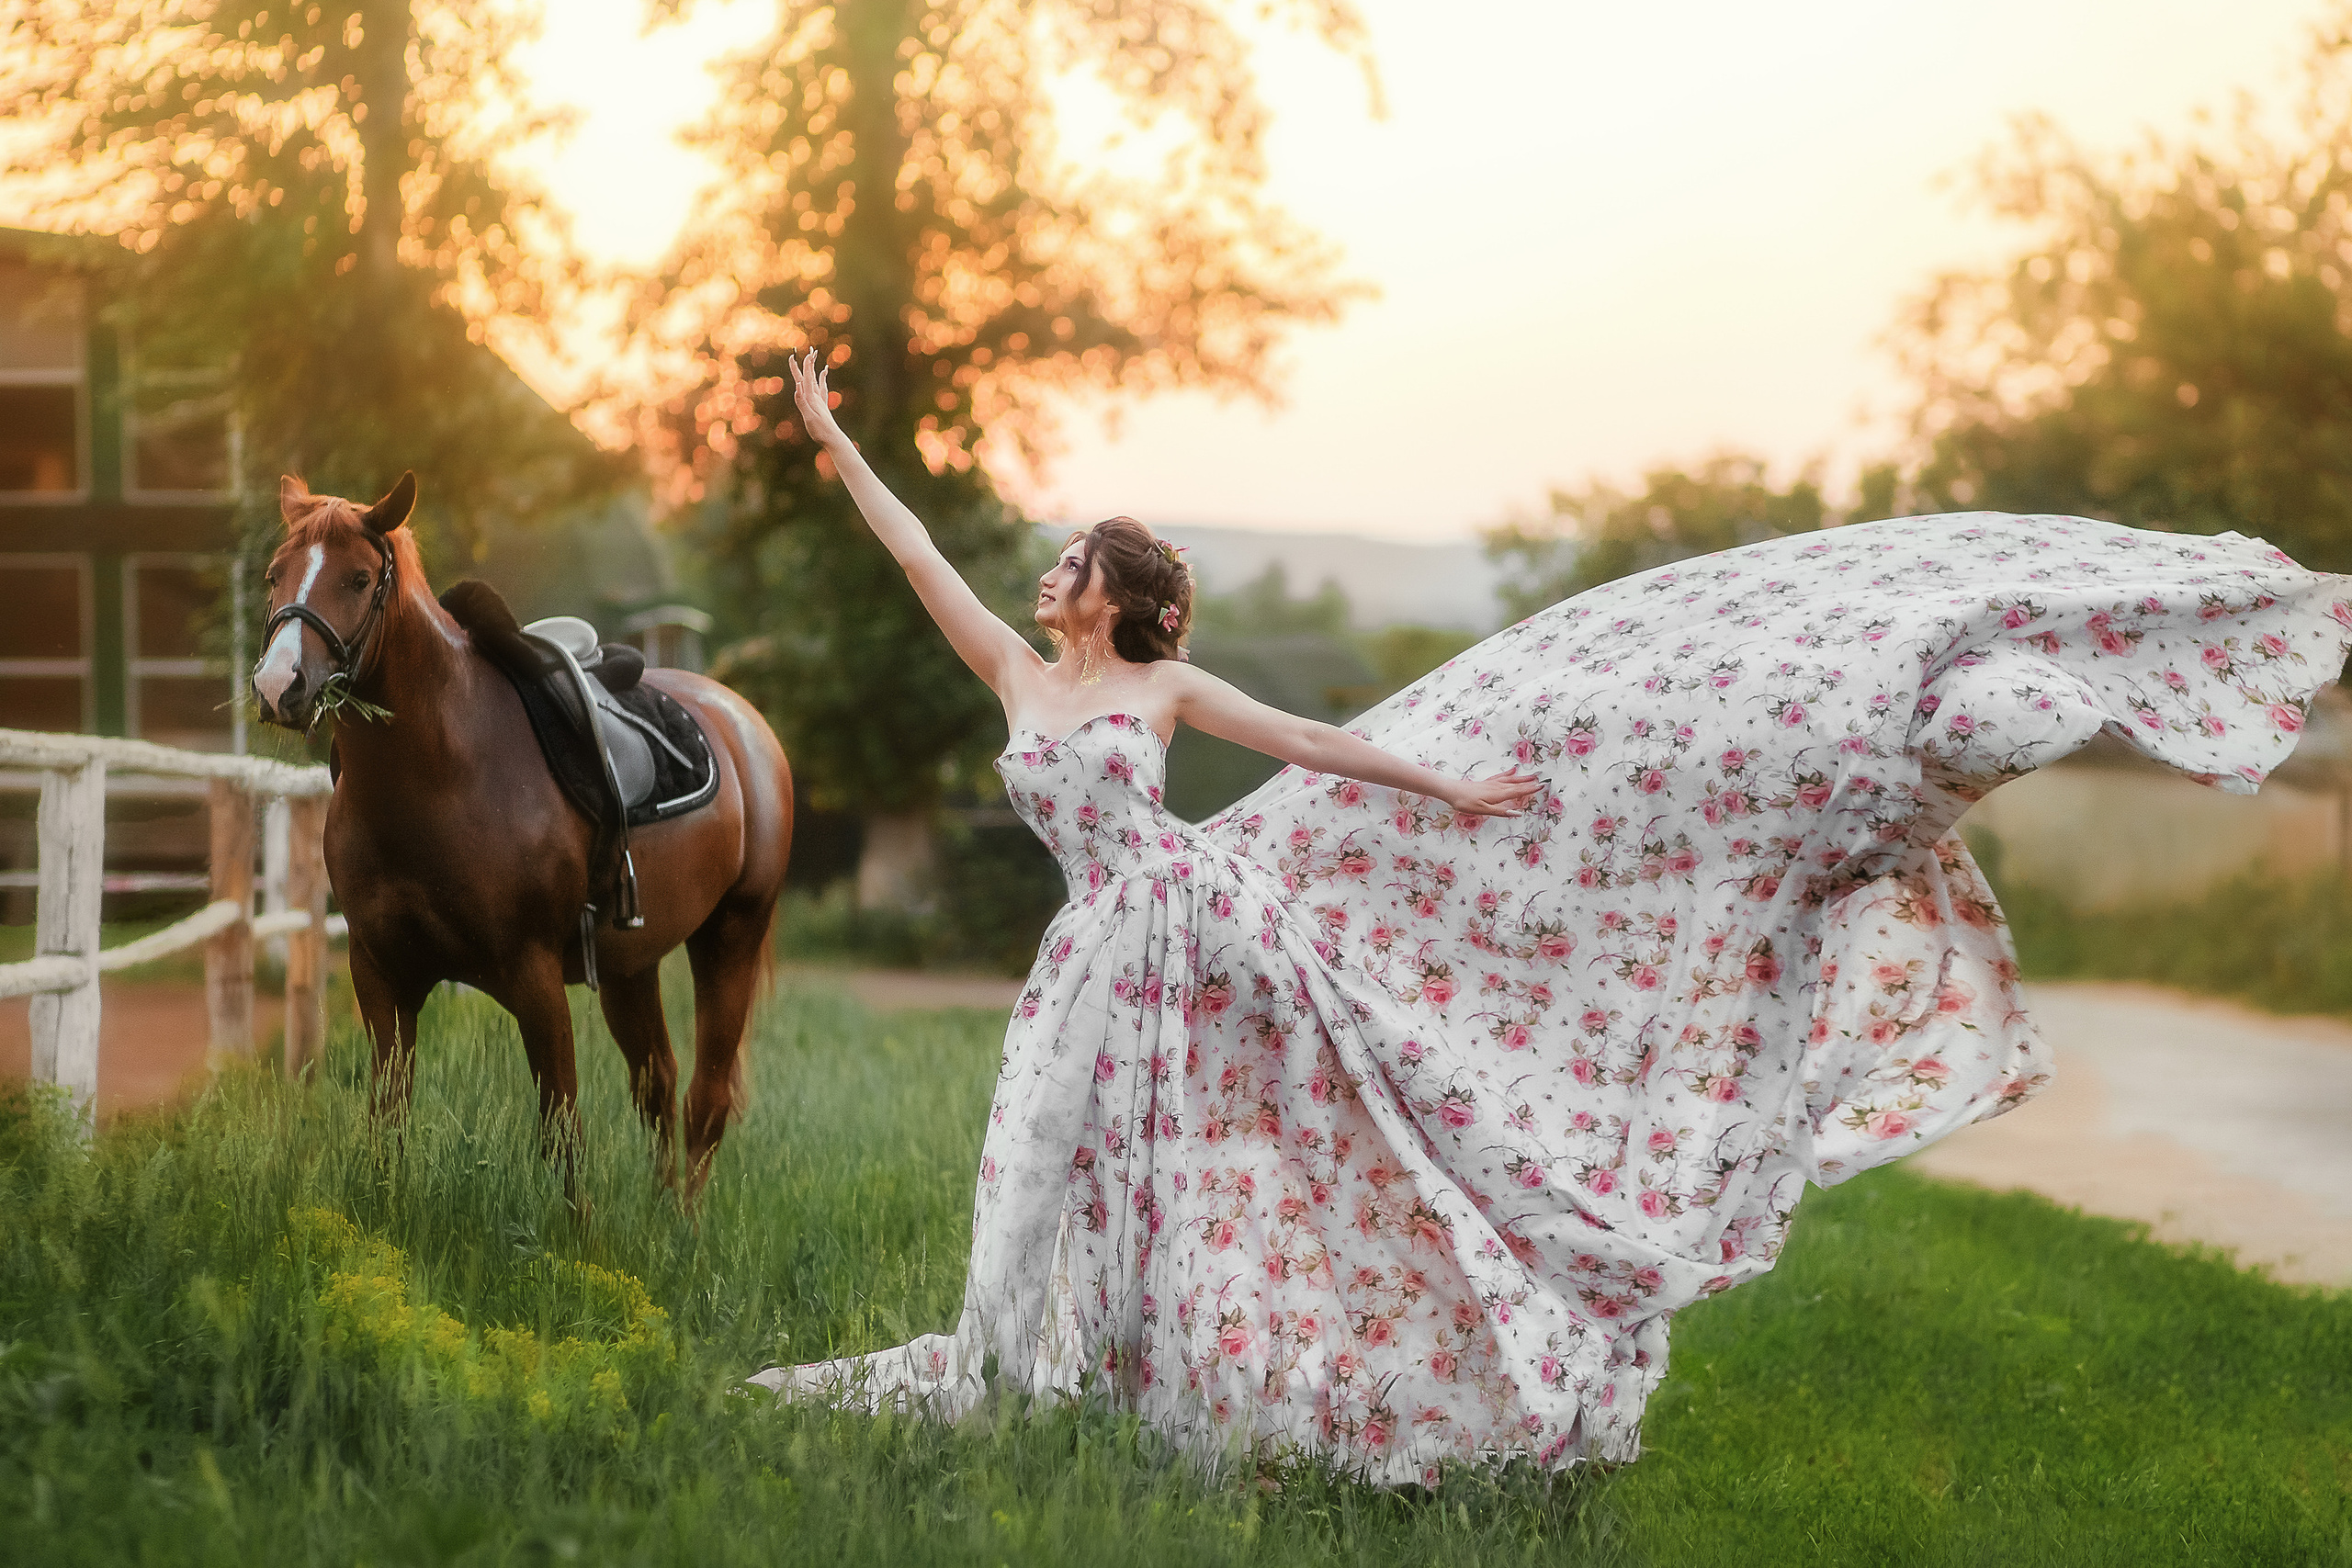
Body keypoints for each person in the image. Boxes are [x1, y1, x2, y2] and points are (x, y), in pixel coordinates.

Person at [752, 349, 2352, 1483]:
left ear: (1124, 595)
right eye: (1047, 561)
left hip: (1207, 927)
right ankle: (994, 1365)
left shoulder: (1166, 685)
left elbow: (1311, 746)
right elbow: (913, 557)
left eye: (1069, 560)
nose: (1042, 574)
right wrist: (834, 443)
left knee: (1293, 1141)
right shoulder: (1021, 679)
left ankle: (1258, 1367)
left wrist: (1446, 795)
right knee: (1043, 1156)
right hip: (1092, 952)